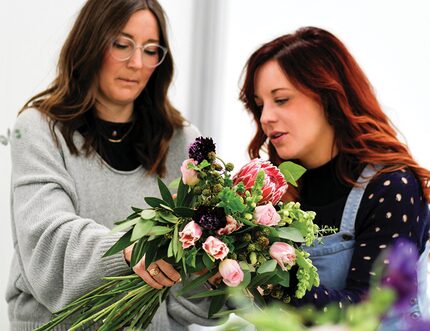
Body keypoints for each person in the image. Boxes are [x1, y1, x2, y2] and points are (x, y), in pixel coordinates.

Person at [6, 0, 218, 329]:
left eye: (151, 50)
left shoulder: (182, 141)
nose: (137, 63)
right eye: (122, 45)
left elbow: (198, 284)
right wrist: (128, 251)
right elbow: (45, 241)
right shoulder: (38, 128)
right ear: (90, 43)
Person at [239, 26, 430, 326]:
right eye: (260, 105)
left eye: (282, 99)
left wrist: (273, 273)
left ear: (328, 96)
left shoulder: (392, 187)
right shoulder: (275, 197)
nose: (265, 118)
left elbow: (367, 316)